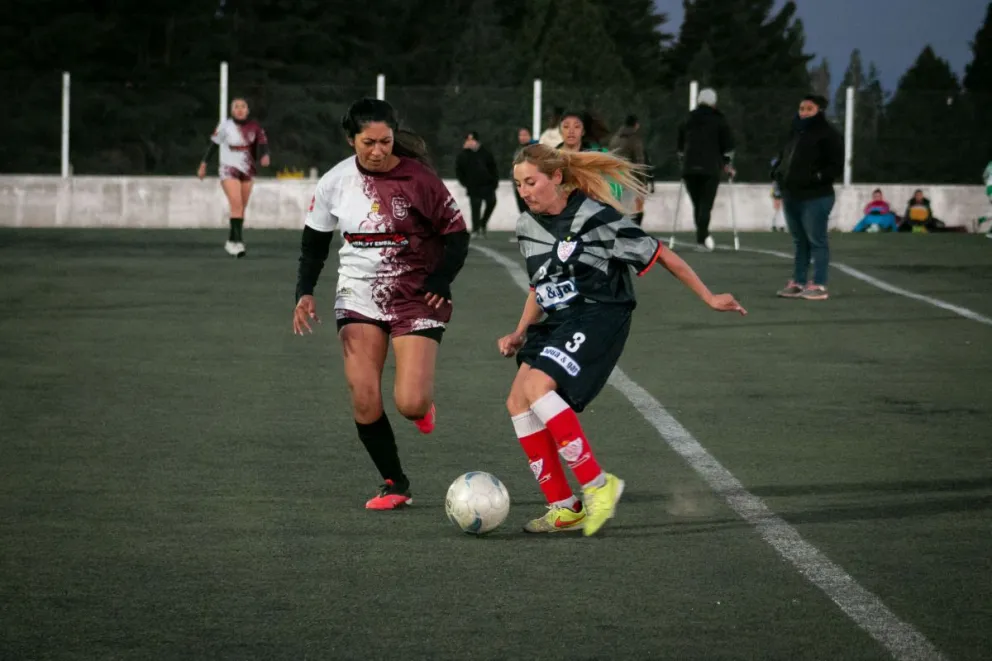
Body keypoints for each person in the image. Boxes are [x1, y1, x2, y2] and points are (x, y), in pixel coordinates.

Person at [500, 144, 747, 537]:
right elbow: (539, 283)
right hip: (559, 320)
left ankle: (599, 486)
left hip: (600, 313)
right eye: (518, 184)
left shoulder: (598, 218)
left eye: (531, 182)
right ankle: (565, 508)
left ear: (557, 177)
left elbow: (662, 254)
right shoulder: (526, 226)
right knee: (517, 400)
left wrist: (709, 296)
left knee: (536, 386)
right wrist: (520, 331)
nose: (524, 191)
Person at [293, 98, 470, 510]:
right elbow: (313, 244)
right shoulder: (335, 181)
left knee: (410, 402)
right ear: (351, 139)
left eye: (385, 141)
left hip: (416, 294)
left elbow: (457, 235)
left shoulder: (421, 179)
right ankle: (395, 483)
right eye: (367, 142)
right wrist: (304, 291)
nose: (377, 151)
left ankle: (421, 408)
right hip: (357, 293)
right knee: (363, 393)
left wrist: (442, 278)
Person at [772, 94, 843, 301]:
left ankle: (819, 284)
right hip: (792, 194)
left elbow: (835, 165)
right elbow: (784, 157)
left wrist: (817, 177)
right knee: (799, 241)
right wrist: (777, 172)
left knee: (816, 240)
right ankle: (798, 282)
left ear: (819, 110)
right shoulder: (795, 132)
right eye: (801, 108)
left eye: (809, 109)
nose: (803, 112)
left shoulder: (828, 134)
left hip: (816, 196)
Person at [197, 97, 270, 258]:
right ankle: (237, 242)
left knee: (241, 207)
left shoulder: (254, 126)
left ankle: (231, 240)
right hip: (228, 168)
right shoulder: (225, 126)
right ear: (232, 110)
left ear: (247, 110)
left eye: (243, 106)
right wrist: (204, 164)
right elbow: (214, 145)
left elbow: (262, 142)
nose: (240, 109)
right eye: (236, 106)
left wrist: (265, 155)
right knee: (236, 203)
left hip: (247, 168)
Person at [677, 88, 735, 251]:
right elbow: (728, 146)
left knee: (698, 204)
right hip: (710, 168)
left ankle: (702, 237)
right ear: (714, 103)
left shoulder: (688, 118)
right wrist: (727, 165)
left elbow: (680, 145)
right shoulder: (719, 120)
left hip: (689, 168)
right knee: (706, 205)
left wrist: (682, 161)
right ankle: (702, 239)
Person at [455, 131, 499, 238]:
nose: (470, 142)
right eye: (468, 140)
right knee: (475, 207)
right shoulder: (464, 155)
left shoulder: (486, 153)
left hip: (487, 184)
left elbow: (493, 168)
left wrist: (494, 182)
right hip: (473, 186)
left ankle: (483, 223)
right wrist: (465, 183)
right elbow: (459, 170)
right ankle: (476, 229)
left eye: (472, 140)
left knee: (491, 202)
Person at [609, 114, 649, 226]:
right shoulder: (634, 139)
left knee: (619, 209)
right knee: (632, 210)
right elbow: (639, 162)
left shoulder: (615, 138)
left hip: (613, 178)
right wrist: (643, 182)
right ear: (636, 125)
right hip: (629, 179)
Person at [514, 128, 539, 215]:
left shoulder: (535, 148)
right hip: (519, 185)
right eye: (520, 135)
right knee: (523, 211)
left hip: (531, 184)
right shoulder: (518, 149)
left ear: (530, 136)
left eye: (525, 135)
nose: (522, 137)